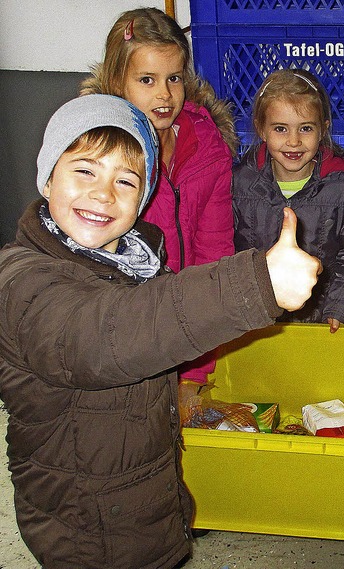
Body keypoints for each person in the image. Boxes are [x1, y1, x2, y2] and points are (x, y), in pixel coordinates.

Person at [0, 94, 320, 569]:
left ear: (143, 198)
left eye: (125, 180)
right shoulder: (22, 279)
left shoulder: (135, 260)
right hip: (84, 522)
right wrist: (255, 284)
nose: (103, 193)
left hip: (142, 496)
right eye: (84, 170)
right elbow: (106, 338)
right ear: (48, 177)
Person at [81, 7, 237, 388]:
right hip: (128, 336)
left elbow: (214, 254)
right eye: (147, 80)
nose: (165, 95)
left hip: (193, 315)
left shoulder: (207, 146)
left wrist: (196, 368)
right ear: (118, 82)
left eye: (174, 78)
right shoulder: (102, 157)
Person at [232, 69, 344, 333]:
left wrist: (341, 307)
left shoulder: (341, 187)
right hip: (254, 319)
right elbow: (226, 249)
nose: (293, 141)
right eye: (280, 129)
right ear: (261, 129)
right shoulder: (240, 183)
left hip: (319, 321)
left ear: (322, 130)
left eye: (305, 128)